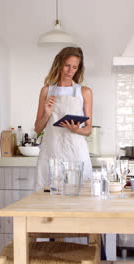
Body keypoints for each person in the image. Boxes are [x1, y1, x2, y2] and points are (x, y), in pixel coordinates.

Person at [34, 46, 93, 191]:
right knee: (46, 195)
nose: (70, 71)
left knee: (78, 195)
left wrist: (76, 130)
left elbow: (88, 129)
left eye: (74, 67)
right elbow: (38, 128)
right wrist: (47, 114)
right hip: (51, 152)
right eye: (67, 65)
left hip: (76, 153)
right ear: (59, 64)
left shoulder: (84, 92)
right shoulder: (46, 91)